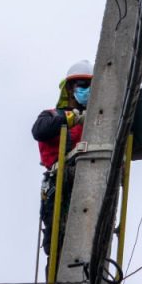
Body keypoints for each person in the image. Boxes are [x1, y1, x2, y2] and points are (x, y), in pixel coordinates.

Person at [31, 59, 93, 260]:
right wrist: (68, 119)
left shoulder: (97, 120)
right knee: (58, 244)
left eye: (91, 85)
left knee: (94, 238)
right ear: (70, 88)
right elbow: (39, 131)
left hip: (90, 184)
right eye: (82, 85)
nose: (87, 89)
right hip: (59, 185)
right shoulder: (51, 115)